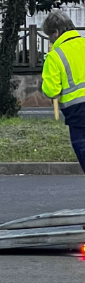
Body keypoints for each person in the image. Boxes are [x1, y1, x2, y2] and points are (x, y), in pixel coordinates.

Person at [41, 10, 85, 172]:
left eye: (49, 36)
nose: (50, 41)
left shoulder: (55, 56)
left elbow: (51, 91)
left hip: (79, 118)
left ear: (56, 33)